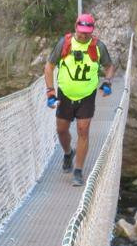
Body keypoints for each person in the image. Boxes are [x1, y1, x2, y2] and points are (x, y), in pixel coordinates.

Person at [44, 13, 115, 186]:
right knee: (61, 130)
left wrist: (107, 82)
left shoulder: (98, 46)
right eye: (81, 31)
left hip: (86, 96)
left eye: (87, 32)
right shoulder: (65, 43)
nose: (83, 35)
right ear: (76, 27)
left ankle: (78, 170)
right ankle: (68, 153)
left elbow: (109, 66)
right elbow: (49, 66)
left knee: (83, 130)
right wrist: (50, 92)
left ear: (92, 31)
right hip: (65, 94)